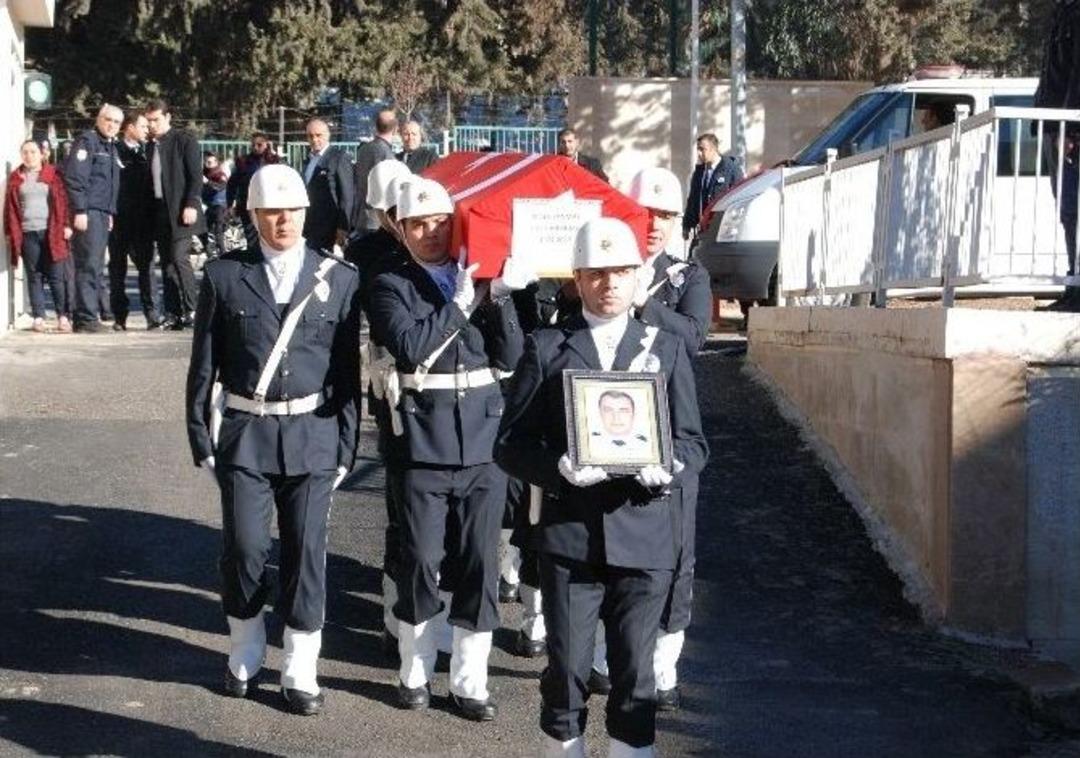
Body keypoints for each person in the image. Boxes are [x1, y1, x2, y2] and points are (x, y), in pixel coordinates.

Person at [496, 217, 708, 758]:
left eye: (620, 272)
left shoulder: (667, 347)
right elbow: (509, 444)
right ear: (577, 279)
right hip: (570, 537)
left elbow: (694, 442)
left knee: (635, 675)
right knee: (566, 670)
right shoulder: (547, 347)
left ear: (638, 276)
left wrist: (672, 466)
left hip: (646, 535)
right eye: (596, 273)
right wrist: (558, 468)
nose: (609, 283)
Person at [186, 164, 361, 716]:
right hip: (247, 432)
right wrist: (200, 436)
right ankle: (246, 644)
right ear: (254, 216)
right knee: (244, 547)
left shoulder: (340, 277)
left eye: (292, 210)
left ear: (307, 214)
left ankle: (300, 665)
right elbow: (203, 367)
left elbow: (346, 374)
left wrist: (347, 445)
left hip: (312, 433)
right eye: (271, 211)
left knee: (307, 551)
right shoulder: (224, 276)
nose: (283, 220)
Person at [368, 177, 527, 721]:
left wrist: (501, 299)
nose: (431, 233)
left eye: (439, 222)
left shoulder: (477, 278)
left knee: (481, 563)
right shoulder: (390, 284)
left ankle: (469, 678)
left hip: (484, 442)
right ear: (402, 230)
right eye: (419, 224)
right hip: (422, 442)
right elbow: (411, 348)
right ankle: (415, 667)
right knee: (419, 560)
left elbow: (510, 356)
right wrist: (461, 303)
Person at [1035, 0, 1080, 312]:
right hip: (1054, 125)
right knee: (1068, 213)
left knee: (1075, 209)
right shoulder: (1062, 11)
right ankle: (1073, 285)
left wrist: (1072, 128)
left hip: (1070, 128)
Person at [62, 103, 122, 333]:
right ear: (99, 118)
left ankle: (88, 315)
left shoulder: (109, 146)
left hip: (101, 213)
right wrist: (80, 211)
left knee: (95, 266)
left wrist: (110, 213)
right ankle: (85, 318)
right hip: (88, 212)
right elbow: (75, 179)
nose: (112, 125)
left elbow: (108, 185)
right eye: (109, 119)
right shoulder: (88, 142)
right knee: (88, 265)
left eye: (117, 122)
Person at [146, 99, 206, 330]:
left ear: (168, 117)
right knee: (167, 263)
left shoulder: (184, 140)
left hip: (181, 210)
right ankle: (173, 312)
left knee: (180, 258)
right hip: (160, 211)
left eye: (156, 120)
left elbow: (195, 175)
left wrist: (191, 203)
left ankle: (193, 309)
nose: (152, 125)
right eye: (149, 121)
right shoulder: (152, 145)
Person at [4, 139, 72, 333]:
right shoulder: (16, 178)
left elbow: (64, 201)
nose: (29, 156)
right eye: (25, 152)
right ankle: (39, 317)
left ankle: (63, 316)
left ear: (42, 154)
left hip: (52, 231)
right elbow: (9, 209)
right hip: (27, 233)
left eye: (33, 152)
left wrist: (67, 224)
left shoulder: (53, 175)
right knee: (34, 277)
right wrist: (10, 232)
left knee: (57, 277)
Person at [109, 113, 161, 330]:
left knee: (147, 268)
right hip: (120, 218)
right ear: (129, 127)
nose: (146, 129)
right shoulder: (114, 150)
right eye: (142, 126)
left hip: (144, 219)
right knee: (118, 268)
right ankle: (120, 316)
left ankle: (152, 315)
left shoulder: (149, 151)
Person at [301, 118, 356, 251]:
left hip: (331, 229)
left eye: (318, 135)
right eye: (310, 136)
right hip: (309, 227)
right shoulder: (308, 160)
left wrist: (343, 228)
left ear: (327, 135)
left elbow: (347, 196)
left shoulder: (339, 157)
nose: (314, 140)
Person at [682, 133, 742, 243]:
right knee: (694, 258)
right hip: (702, 231)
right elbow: (692, 200)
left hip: (722, 232)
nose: (699, 154)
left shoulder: (731, 170)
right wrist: (686, 225)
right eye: (698, 150)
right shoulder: (699, 172)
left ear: (713, 149)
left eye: (702, 149)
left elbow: (739, 200)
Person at [227, 132, 279, 250]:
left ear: (266, 144)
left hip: (271, 205)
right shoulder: (243, 162)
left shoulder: (275, 161)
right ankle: (254, 263)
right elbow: (232, 184)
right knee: (253, 239)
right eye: (253, 145)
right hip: (248, 205)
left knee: (270, 238)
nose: (256, 148)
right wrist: (230, 204)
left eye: (259, 145)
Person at [351, 109, 398, 235]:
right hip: (380, 223)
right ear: (395, 129)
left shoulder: (363, 150)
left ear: (376, 126)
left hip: (360, 217)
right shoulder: (387, 155)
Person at [201, 151, 229, 258]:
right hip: (209, 206)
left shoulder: (220, 174)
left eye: (209, 161)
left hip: (219, 206)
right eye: (206, 161)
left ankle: (223, 254)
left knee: (218, 231)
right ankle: (209, 252)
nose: (207, 163)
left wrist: (207, 182)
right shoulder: (205, 173)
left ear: (216, 162)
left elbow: (220, 187)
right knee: (203, 229)